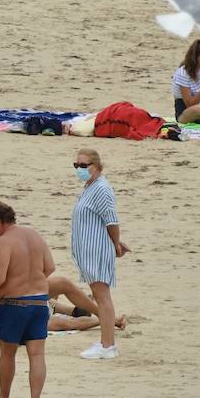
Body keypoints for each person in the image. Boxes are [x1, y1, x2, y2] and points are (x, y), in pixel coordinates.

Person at [0, 202, 53, 398]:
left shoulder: (5, 241)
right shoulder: (35, 235)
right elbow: (50, 268)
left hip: (14, 304)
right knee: (37, 354)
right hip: (40, 302)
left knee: (7, 353)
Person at [0, 234, 123, 334]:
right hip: (7, 308)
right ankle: (105, 320)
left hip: (22, 294)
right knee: (62, 324)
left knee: (62, 282)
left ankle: (94, 313)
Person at [70, 150, 129, 360]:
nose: (79, 169)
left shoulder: (102, 189)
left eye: (83, 165)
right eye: (76, 165)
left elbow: (111, 220)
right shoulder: (90, 187)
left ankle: (108, 345)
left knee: (102, 296)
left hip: (97, 250)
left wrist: (116, 244)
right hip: (90, 249)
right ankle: (106, 341)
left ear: (95, 166)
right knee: (98, 295)